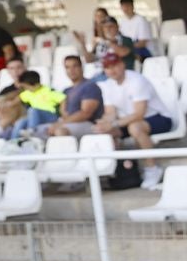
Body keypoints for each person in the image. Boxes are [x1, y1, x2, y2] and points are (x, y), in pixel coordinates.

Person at [95, 51, 176, 188]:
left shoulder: (137, 80)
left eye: (114, 65)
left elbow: (139, 113)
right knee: (105, 132)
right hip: (130, 120)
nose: (112, 70)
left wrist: (113, 123)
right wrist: (105, 123)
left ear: (122, 65)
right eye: (108, 67)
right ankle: (115, 172)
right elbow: (110, 112)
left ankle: (152, 168)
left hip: (159, 118)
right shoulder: (108, 85)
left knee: (135, 127)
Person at [50, 55, 106, 138]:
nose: (71, 70)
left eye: (75, 66)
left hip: (88, 124)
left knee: (60, 131)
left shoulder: (90, 86)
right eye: (67, 67)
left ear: (81, 67)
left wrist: (61, 124)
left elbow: (85, 114)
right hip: (68, 123)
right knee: (38, 131)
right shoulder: (66, 90)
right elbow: (63, 112)